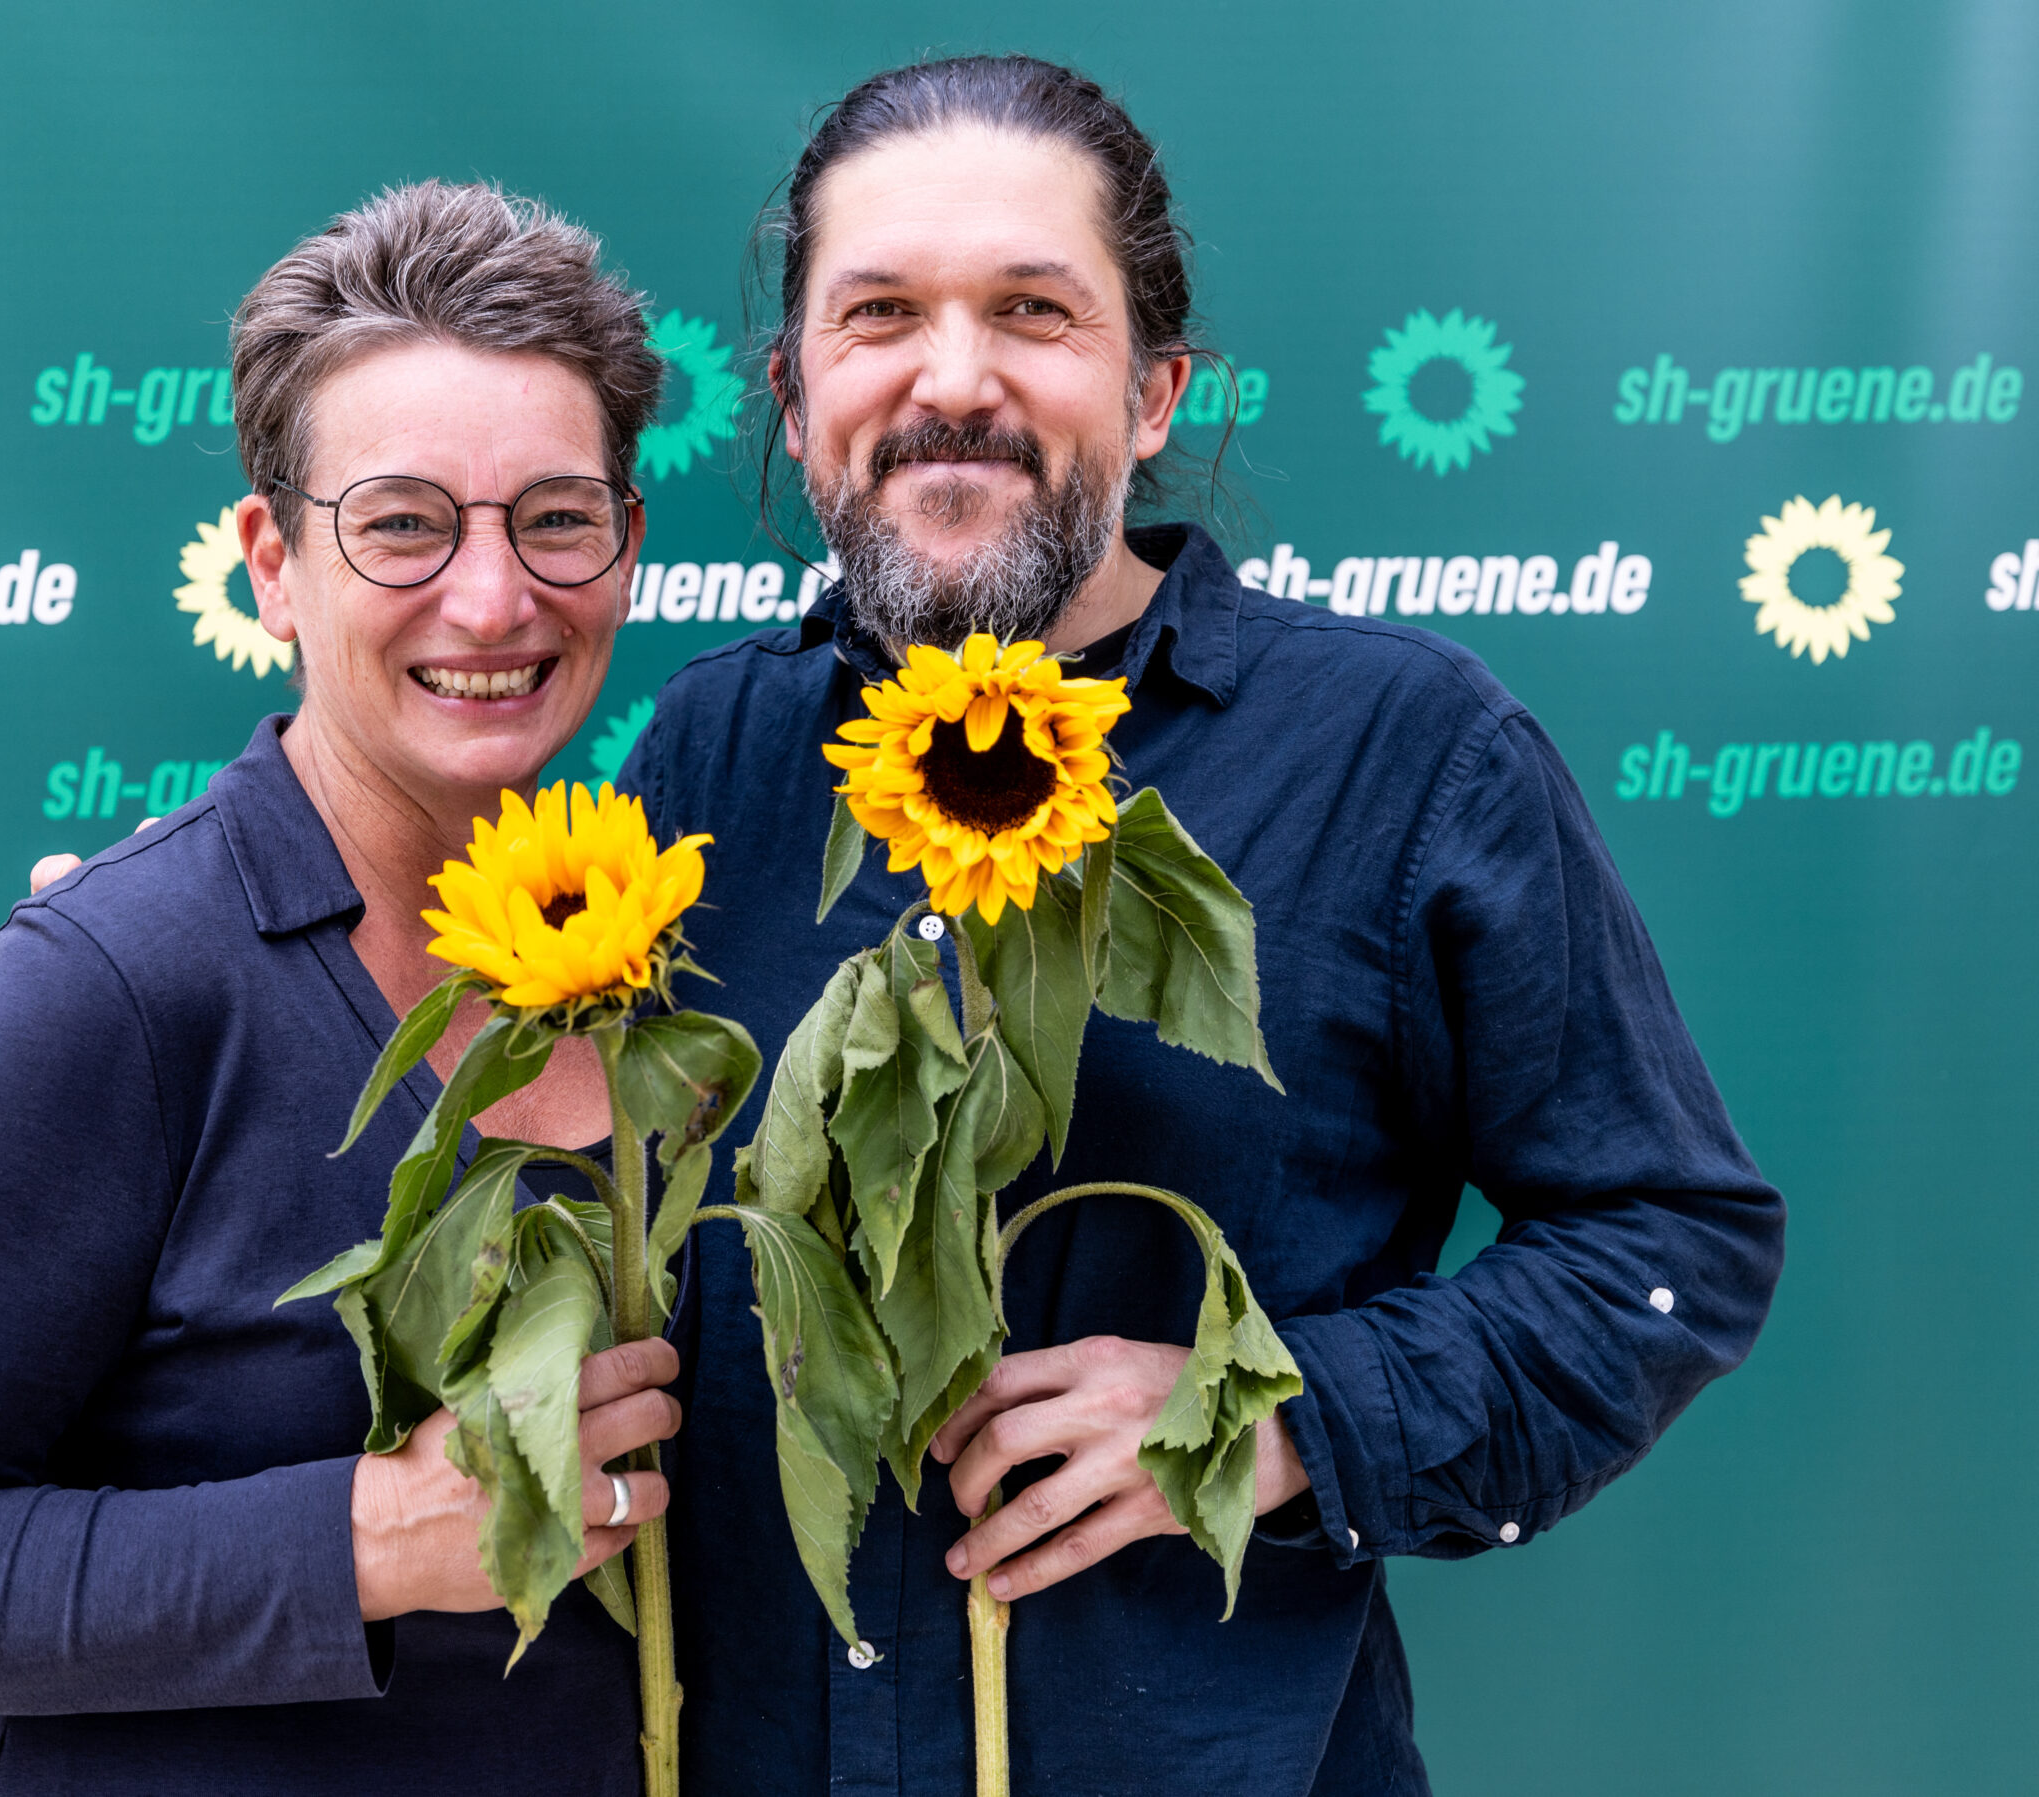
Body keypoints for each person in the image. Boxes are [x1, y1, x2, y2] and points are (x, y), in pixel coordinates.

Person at [613, 57, 1786, 1795]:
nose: (955, 379)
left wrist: (1277, 1415)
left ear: (1154, 387)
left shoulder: (1409, 755)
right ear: (792, 399)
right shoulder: (713, 750)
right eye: (880, 316)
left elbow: (1667, 1241)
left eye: (1034, 310)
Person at [0, 181, 689, 1796]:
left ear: (625, 548)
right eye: (403, 521)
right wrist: (365, 1540)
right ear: (271, 561)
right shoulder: (111, 985)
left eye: (553, 517)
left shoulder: (672, 954)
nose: (492, 597)